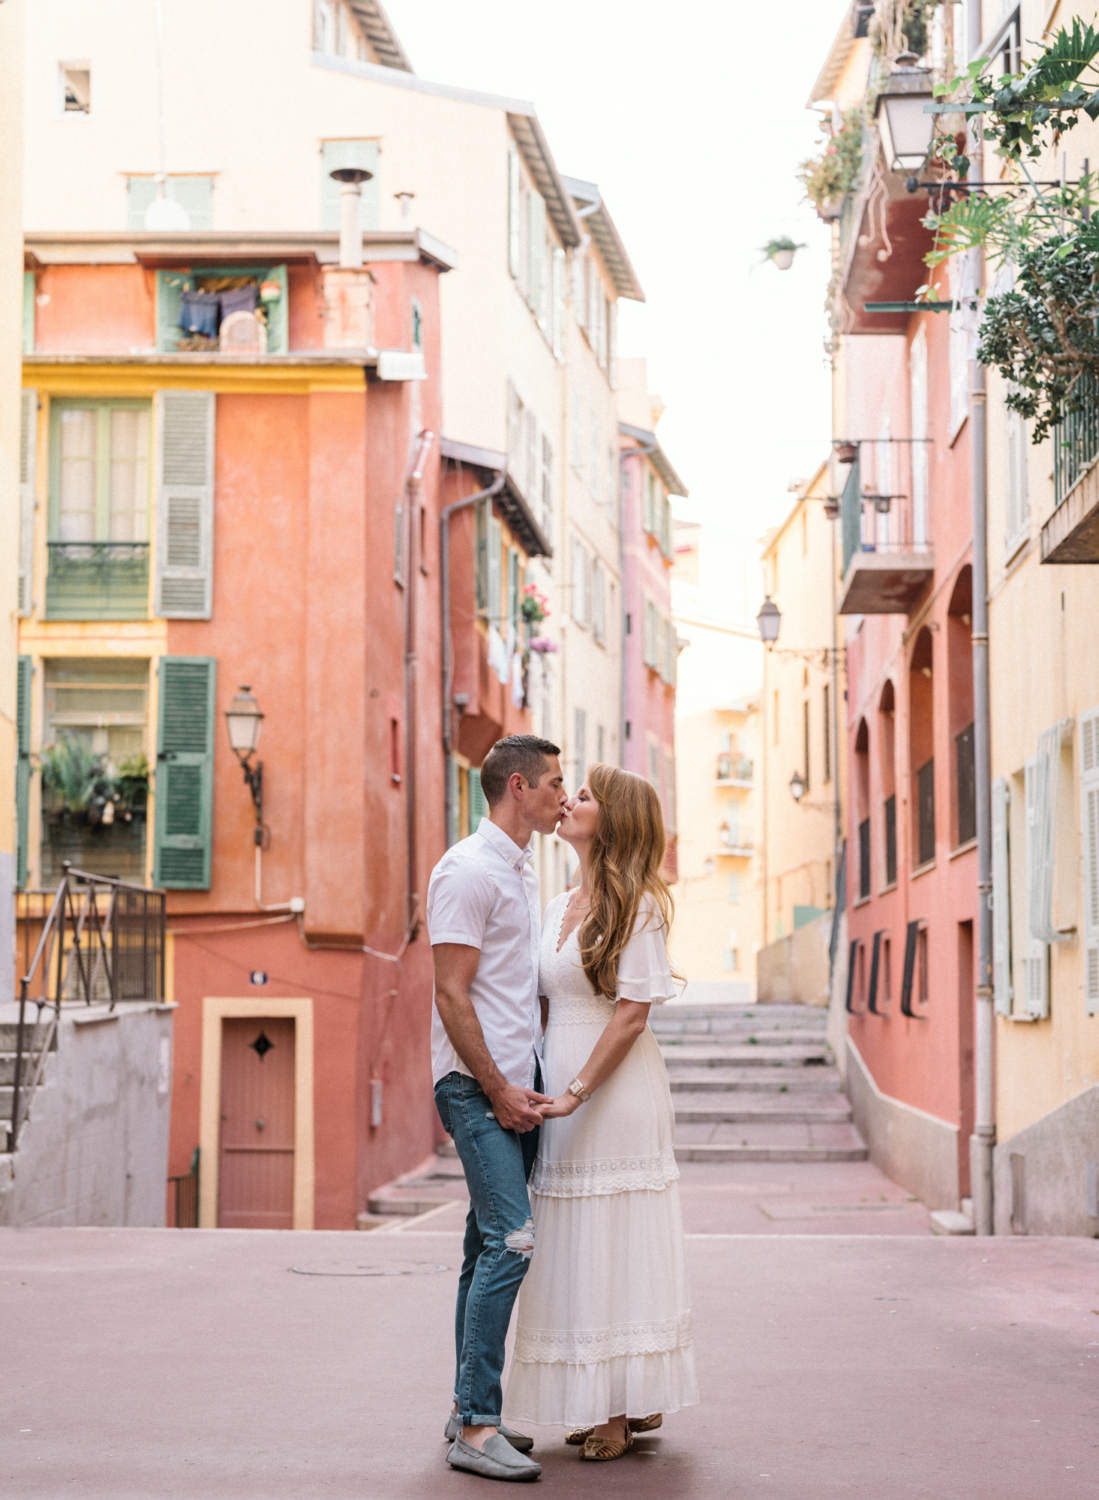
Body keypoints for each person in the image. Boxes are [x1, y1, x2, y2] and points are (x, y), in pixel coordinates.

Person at [504, 764, 699, 1460]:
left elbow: (631, 1016)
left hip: (611, 1094)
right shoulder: (557, 906)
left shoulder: (639, 903)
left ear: (610, 819)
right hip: (559, 1088)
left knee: (613, 1240)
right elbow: (545, 1006)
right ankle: (601, 1396)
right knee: (571, 1243)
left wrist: (575, 1092)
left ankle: (615, 1409)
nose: (567, 802)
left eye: (581, 796)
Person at [429, 734, 567, 1483]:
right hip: (475, 1086)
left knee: (484, 1245)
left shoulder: (520, 871)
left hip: (515, 1080)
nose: (561, 794)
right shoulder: (467, 871)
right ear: (518, 787)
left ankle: (466, 1408)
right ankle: (477, 1426)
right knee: (511, 1242)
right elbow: (450, 993)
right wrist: (495, 1088)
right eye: (552, 783)